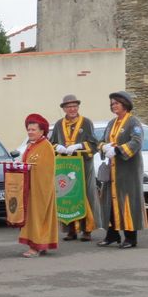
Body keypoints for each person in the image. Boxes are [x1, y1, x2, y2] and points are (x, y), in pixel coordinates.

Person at [96, 91, 148, 249]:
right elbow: (101, 141)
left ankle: (131, 238)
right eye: (112, 104)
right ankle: (112, 235)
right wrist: (103, 147)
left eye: (116, 103)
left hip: (128, 171)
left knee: (128, 202)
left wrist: (118, 150)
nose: (114, 106)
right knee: (111, 202)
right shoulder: (111, 123)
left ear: (125, 104)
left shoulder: (133, 122)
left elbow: (137, 142)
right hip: (112, 171)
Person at [49, 94, 101, 240]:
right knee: (68, 194)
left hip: (83, 165)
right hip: (65, 166)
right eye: (68, 107)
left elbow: (94, 144)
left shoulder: (86, 123)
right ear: (64, 108)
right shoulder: (59, 124)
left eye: (74, 106)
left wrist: (79, 146)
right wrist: (57, 147)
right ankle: (71, 229)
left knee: (85, 195)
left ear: (78, 107)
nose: (72, 109)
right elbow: (51, 143)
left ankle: (87, 230)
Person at [18, 114, 58, 257]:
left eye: (33, 129)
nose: (30, 132)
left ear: (42, 131)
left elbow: (47, 169)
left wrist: (29, 168)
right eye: (28, 129)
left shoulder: (46, 146)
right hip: (31, 188)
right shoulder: (32, 145)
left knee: (38, 216)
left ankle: (36, 246)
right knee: (33, 217)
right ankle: (40, 245)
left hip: (40, 189)